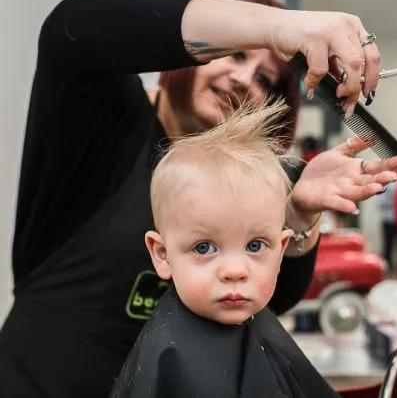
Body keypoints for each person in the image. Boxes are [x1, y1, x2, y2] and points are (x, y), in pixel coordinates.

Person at [0, 0, 397, 397]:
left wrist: (297, 213)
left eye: (265, 78)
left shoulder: (239, 179)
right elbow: (73, 29)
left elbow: (267, 301)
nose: (245, 79)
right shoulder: (104, 125)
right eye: (238, 54)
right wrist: (277, 29)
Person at [111, 100, 342, 397]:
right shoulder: (171, 358)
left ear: (281, 248)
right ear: (162, 254)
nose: (235, 271)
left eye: (256, 245)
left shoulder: (256, 325)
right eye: (204, 248)